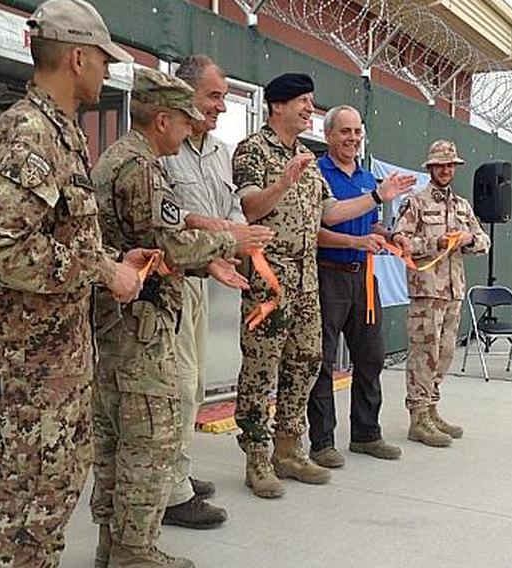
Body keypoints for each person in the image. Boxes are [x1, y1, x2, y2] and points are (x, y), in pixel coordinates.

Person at [0, 1, 150, 566]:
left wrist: (113, 258)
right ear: (77, 57)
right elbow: (4, 249)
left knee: (53, 496)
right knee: (33, 509)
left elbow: (55, 234)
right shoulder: (30, 133)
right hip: (36, 362)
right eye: (102, 60)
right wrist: (103, 271)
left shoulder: (60, 133)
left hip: (58, 355)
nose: (106, 71)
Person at [90, 68, 274, 568]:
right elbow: (166, 242)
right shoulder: (143, 168)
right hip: (140, 328)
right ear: (163, 119)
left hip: (118, 323)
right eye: (186, 120)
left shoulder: (119, 159)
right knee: (150, 439)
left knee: (116, 439)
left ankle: (114, 544)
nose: (192, 128)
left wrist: (210, 255)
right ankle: (134, 551)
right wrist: (228, 240)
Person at [232, 73, 415, 498]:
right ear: (277, 105)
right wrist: (284, 182)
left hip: (306, 281)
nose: (308, 109)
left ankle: (289, 448)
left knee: (307, 361)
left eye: (312, 102)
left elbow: (330, 213)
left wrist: (377, 196)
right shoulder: (253, 151)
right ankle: (257, 459)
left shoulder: (307, 158)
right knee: (262, 370)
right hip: (269, 282)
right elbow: (251, 206)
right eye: (302, 101)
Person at [159, 55, 245, 530]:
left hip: (202, 282)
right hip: (171, 281)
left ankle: (180, 474)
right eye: (214, 96)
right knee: (177, 387)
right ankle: (171, 493)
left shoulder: (217, 152)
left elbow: (231, 207)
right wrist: (222, 235)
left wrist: (236, 239)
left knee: (191, 387)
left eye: (223, 98)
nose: (221, 107)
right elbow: (173, 218)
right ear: (186, 93)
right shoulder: (163, 149)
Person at [306, 105, 406, 468]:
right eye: (345, 132)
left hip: (364, 278)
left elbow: (372, 224)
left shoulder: (368, 179)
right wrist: (355, 243)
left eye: (357, 132)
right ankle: (322, 442)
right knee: (322, 361)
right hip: (328, 275)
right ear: (328, 135)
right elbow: (312, 229)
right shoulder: (317, 174)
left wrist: (391, 236)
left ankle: (366, 434)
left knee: (371, 356)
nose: (352, 138)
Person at [391, 140, 490, 448]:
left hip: (453, 290)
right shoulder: (415, 203)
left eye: (450, 165)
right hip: (426, 291)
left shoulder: (462, 206)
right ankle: (418, 416)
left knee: (445, 351)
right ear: (430, 168)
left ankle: (432, 407)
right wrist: (436, 243)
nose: (446, 170)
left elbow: (484, 242)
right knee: (424, 351)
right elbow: (400, 242)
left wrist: (466, 238)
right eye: (440, 165)